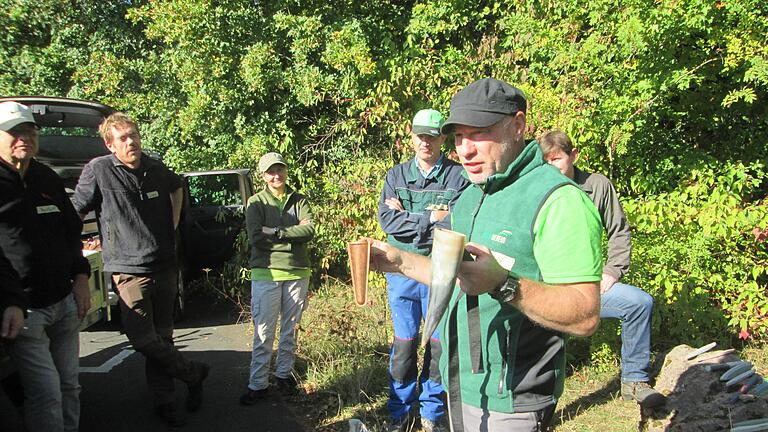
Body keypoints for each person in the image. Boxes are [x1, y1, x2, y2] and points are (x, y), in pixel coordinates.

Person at [369, 78, 604, 432]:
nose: (465, 149)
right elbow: (452, 273)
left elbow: (585, 314)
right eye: (459, 137)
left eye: (478, 133)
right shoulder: (471, 195)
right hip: (457, 386)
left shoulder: (559, 200)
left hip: (512, 399)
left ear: (518, 125)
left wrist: (504, 284)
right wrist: (396, 261)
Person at [73, 112, 209, 428]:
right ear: (110, 144)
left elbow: (178, 188)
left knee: (163, 337)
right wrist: (71, 254)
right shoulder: (99, 171)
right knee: (141, 338)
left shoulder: (155, 168)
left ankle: (165, 402)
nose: (131, 142)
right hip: (128, 268)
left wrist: (172, 225)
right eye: (123, 138)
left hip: (164, 266)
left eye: (134, 135)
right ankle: (193, 373)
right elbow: (75, 211)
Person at [540, 129, 666, 408]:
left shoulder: (597, 185)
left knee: (638, 303)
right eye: (546, 161)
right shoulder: (536, 188)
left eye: (557, 159)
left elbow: (619, 231)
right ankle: (538, 401)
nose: (552, 166)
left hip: (588, 286)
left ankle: (635, 380)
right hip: (546, 286)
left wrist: (612, 271)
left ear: (573, 156)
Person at [0, 101, 91, 432]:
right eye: (14, 132)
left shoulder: (45, 177)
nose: (23, 138)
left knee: (70, 386)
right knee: (46, 393)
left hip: (63, 302)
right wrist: (10, 300)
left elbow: (71, 232)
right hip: (25, 310)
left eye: (29, 130)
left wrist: (81, 278)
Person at [377, 108, 470, 432]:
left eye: (432, 136)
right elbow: (387, 221)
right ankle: (400, 412)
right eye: (420, 135)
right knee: (404, 345)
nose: (425, 142)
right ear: (411, 135)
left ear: (442, 138)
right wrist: (431, 218)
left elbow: (458, 224)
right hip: (401, 274)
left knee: (438, 345)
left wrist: (412, 220)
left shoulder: (458, 177)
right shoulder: (396, 176)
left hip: (441, 273)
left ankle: (432, 411)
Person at [240, 152, 314, 405]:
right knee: (264, 332)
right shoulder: (256, 202)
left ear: (285, 170)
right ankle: (258, 384)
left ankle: (284, 376)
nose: (276, 175)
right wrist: (292, 238)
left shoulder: (299, 200)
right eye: (271, 171)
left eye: (279, 169)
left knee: (290, 331)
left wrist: (276, 233)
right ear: (263, 176)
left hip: (298, 272)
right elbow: (256, 238)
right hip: (266, 272)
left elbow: (310, 230)